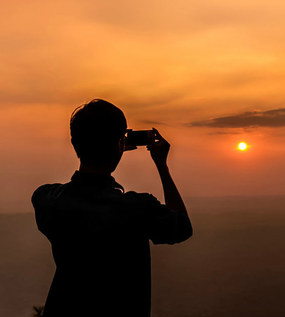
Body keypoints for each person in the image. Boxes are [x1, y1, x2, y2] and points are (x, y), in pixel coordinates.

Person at [31, 99, 193, 317]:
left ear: (74, 143)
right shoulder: (137, 209)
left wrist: (110, 147)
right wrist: (161, 166)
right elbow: (182, 227)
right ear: (119, 144)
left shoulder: (48, 200)